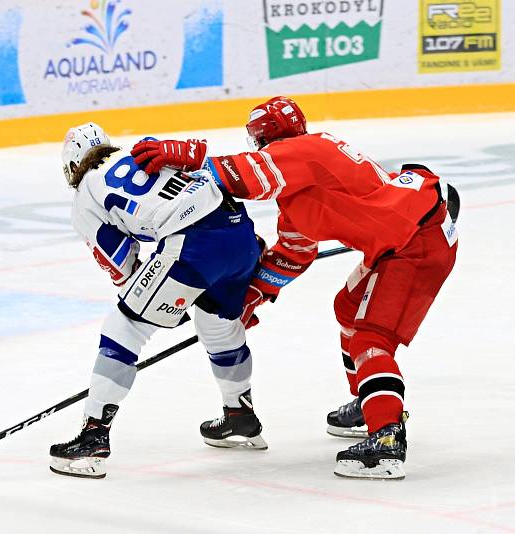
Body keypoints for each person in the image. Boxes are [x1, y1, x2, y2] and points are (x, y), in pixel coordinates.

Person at [130, 97, 459, 480]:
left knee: (371, 338)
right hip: (401, 240)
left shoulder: (307, 150)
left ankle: (387, 437)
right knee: (348, 309)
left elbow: (239, 175)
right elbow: (294, 253)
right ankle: (370, 399)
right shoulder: (298, 190)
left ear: (263, 139)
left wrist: (189, 154)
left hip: (415, 244)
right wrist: (251, 297)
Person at [50, 123, 266, 479]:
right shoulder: (140, 149)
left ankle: (92, 439)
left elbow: (121, 265)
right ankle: (240, 416)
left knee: (124, 327)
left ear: (72, 166)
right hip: (240, 231)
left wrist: (154, 299)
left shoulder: (85, 195)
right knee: (218, 325)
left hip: (195, 246)